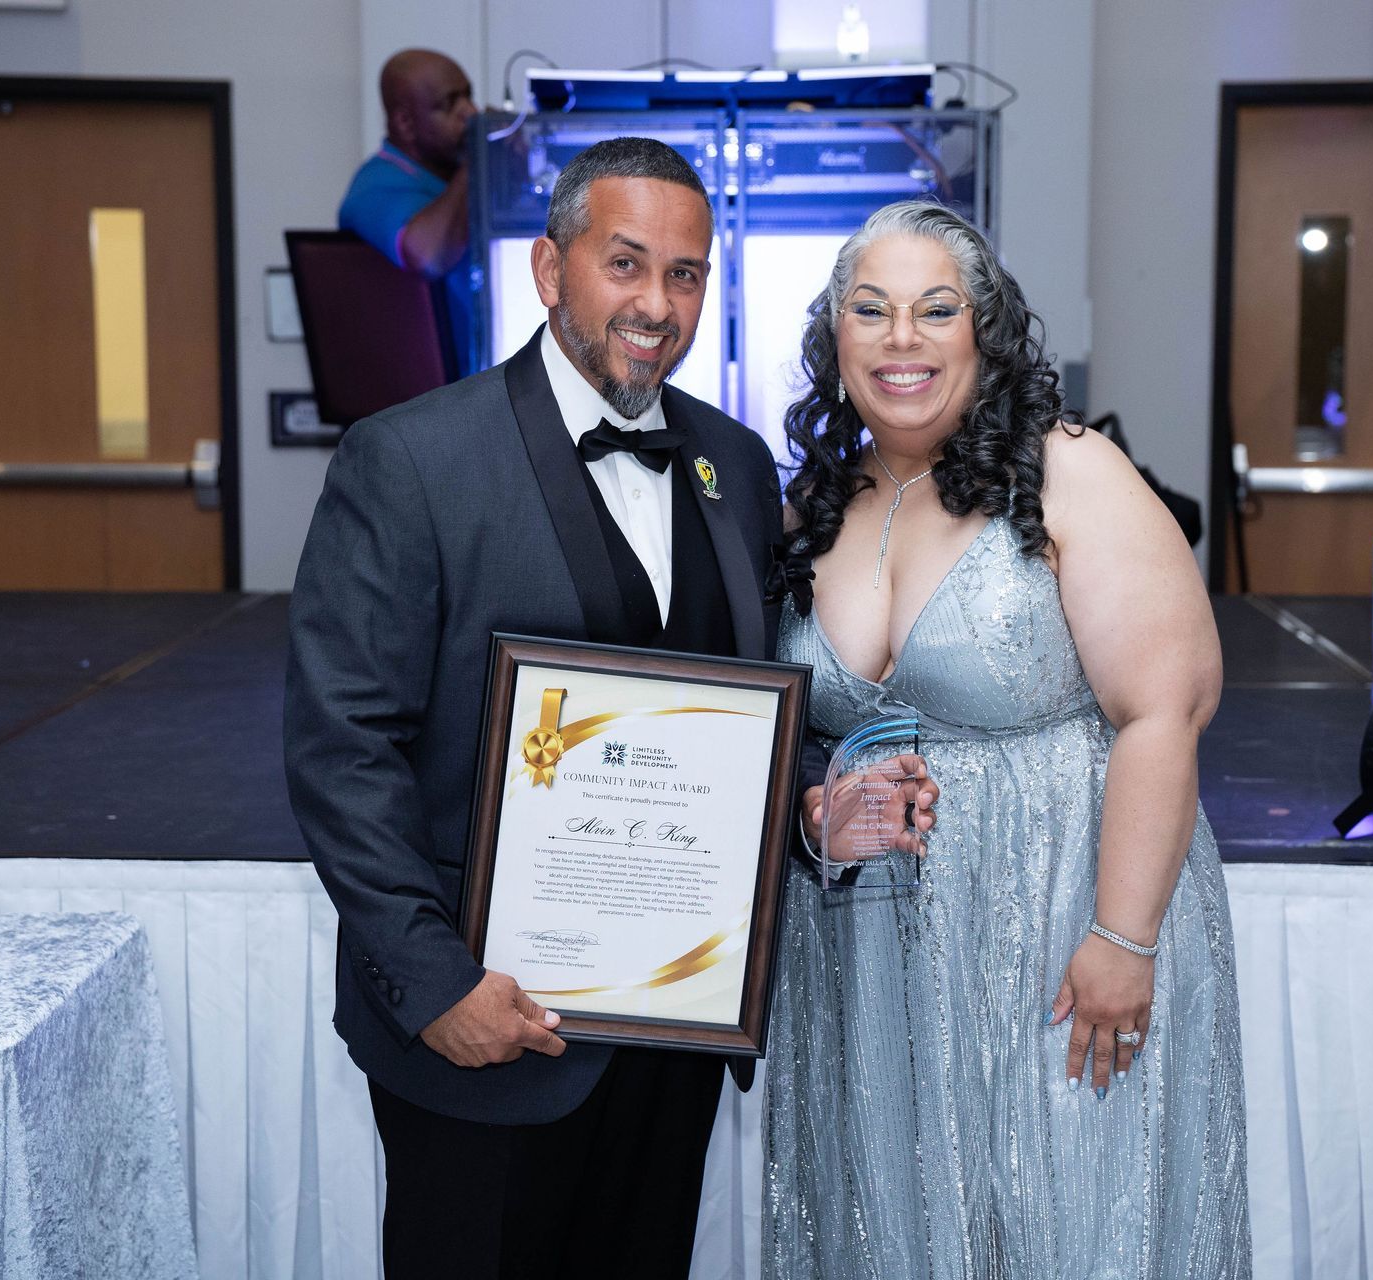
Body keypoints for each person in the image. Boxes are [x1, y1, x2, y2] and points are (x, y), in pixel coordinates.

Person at [288, 137, 933, 1279]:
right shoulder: (410, 460)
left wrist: (812, 809)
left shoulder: (736, 465)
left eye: (685, 275)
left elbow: (742, 710)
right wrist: (438, 990)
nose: (657, 305)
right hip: (483, 1036)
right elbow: (343, 750)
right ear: (549, 268)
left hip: (673, 1036)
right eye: (625, 263)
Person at [763, 201, 1251, 1278]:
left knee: (1066, 1215)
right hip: (867, 952)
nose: (902, 338)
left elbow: (1166, 707)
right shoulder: (811, 508)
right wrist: (813, 811)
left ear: (984, 331)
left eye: (936, 309)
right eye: (870, 310)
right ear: (833, 337)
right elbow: (783, 729)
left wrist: (1123, 937)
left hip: (1060, 917)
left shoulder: (1069, 470)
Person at [338, 48, 479, 375]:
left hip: (488, 375)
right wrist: (480, 158)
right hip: (428, 392)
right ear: (404, 123)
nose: (471, 113)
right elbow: (429, 256)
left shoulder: (455, 179)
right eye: (450, 104)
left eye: (468, 96)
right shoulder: (374, 186)